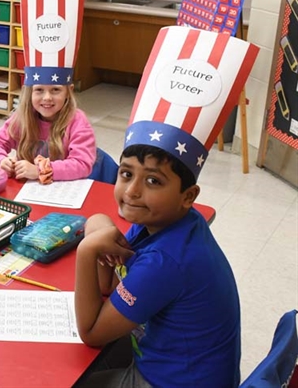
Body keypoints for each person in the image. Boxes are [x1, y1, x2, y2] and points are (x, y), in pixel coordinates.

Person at [74, 26, 260, 388]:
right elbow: (115, 284)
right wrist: (100, 231)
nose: (132, 191)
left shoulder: (166, 262)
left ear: (188, 196)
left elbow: (92, 332)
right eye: (126, 174)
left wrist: (86, 251)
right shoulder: (171, 225)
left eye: (154, 181)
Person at [0, 0, 96, 183]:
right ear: (30, 92)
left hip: (63, 191)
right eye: (39, 90)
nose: (47, 98)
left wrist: (40, 170)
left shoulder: (77, 121)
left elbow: (83, 164)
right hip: (26, 190)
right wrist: (1, 160)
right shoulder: (22, 116)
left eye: (55, 90)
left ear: (68, 91)